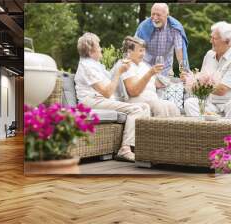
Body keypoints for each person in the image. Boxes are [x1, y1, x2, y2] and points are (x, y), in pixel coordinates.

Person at [74, 32, 150, 162]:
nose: (101, 48)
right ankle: (125, 149)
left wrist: (120, 69)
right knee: (136, 109)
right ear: (91, 50)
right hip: (91, 102)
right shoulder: (87, 67)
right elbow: (107, 92)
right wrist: (119, 72)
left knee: (144, 106)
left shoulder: (94, 65)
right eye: (98, 46)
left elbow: (110, 82)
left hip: (100, 100)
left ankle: (141, 147)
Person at [182, 21, 231, 118]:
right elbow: (201, 79)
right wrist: (189, 78)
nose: (210, 41)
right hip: (210, 103)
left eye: (214, 38)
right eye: (211, 37)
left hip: (229, 104)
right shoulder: (209, 55)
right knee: (190, 103)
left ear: (227, 41)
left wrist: (194, 83)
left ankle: (228, 132)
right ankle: (202, 132)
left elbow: (222, 90)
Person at [112, 36, 180, 117]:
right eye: (140, 51)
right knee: (160, 106)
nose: (143, 54)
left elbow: (157, 84)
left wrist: (176, 81)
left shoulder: (143, 65)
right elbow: (134, 91)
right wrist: (150, 73)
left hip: (152, 99)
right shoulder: (126, 65)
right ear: (129, 52)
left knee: (172, 106)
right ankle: (156, 129)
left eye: (144, 50)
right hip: (135, 101)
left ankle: (173, 129)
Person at [135, 3, 189, 78]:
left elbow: (179, 52)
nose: (155, 17)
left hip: (165, 67)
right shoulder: (143, 27)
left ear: (167, 15)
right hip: (145, 65)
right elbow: (135, 48)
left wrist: (183, 71)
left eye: (158, 15)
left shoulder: (175, 28)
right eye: (153, 14)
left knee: (164, 87)